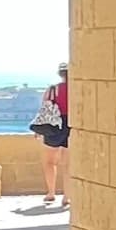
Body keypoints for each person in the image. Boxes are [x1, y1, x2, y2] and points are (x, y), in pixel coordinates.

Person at [32, 62, 70, 204]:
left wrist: (39, 130)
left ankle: (51, 192)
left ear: (60, 74)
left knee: (49, 162)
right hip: (71, 125)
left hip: (53, 125)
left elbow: (44, 109)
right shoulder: (77, 89)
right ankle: (67, 196)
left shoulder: (53, 90)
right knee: (68, 164)